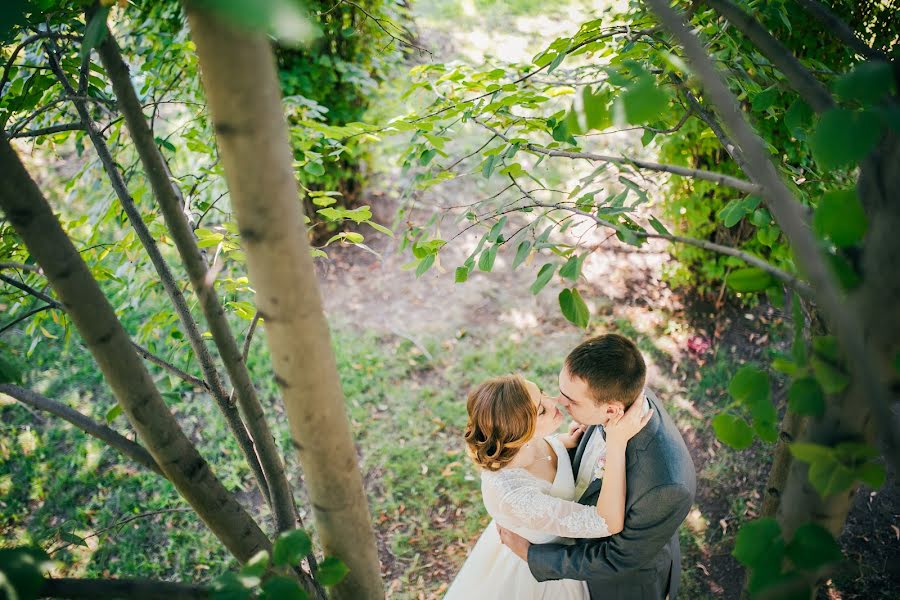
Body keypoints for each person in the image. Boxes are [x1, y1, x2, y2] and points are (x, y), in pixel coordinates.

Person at [498, 333, 697, 599]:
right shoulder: (619, 395)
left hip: (619, 587)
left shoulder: (665, 488)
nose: (559, 401)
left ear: (612, 411)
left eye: (572, 400)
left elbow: (616, 558)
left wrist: (530, 554)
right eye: (561, 390)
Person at [444, 373, 651, 599]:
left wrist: (563, 443)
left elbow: (543, 451)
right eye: (541, 410)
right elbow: (607, 522)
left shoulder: (521, 446)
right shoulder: (517, 496)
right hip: (538, 579)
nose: (554, 401)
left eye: (542, 393)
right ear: (519, 435)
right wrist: (616, 443)